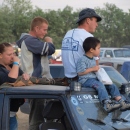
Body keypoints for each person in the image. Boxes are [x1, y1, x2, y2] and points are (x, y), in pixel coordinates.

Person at [16, 17, 55, 130]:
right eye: (44, 29)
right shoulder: (30, 40)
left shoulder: (30, 41)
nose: (46, 32)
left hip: (37, 82)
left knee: (41, 114)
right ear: (36, 28)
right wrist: (49, 41)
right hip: (36, 82)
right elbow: (49, 49)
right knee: (37, 117)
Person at [76, 37, 130, 112]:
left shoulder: (93, 59)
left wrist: (97, 65)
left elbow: (96, 68)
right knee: (100, 86)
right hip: (86, 80)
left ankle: (121, 102)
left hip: (94, 79)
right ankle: (107, 103)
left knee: (111, 85)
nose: (100, 50)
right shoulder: (82, 59)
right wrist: (92, 69)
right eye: (98, 48)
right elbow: (80, 72)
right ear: (91, 50)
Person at [61, 8, 102, 82]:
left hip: (68, 79)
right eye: (95, 21)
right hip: (83, 80)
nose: (97, 25)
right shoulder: (88, 37)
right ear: (88, 20)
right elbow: (95, 64)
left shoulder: (68, 34)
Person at [0, 42, 30, 130]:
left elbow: (22, 76)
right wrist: (16, 63)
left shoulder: (11, 66)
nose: (13, 57)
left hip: (12, 112)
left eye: (13, 53)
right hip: (3, 114)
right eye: (9, 54)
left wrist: (25, 75)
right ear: (0, 55)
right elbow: (11, 80)